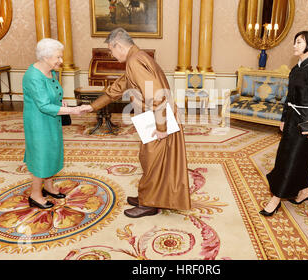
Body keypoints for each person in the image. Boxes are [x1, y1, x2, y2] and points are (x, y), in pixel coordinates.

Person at [81, 27, 191, 218]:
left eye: (111, 50)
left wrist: (161, 128)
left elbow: (156, 94)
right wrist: (92, 107)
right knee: (154, 161)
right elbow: (119, 86)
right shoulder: (137, 58)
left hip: (157, 118)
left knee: (152, 161)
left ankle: (149, 204)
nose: (112, 55)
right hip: (156, 116)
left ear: (118, 45)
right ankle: (148, 196)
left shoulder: (135, 60)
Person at [259, 30, 308, 216]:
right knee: (293, 157)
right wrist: (284, 119)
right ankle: (305, 192)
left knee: (291, 159)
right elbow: (289, 98)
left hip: (306, 122)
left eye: (299, 42)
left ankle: (276, 198)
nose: (294, 45)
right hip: (292, 119)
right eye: (295, 41)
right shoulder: (296, 69)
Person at [23, 38, 85, 209]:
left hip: (52, 119)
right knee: (41, 155)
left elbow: (53, 94)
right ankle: (35, 195)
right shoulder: (33, 76)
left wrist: (60, 102)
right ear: (45, 57)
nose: (61, 61)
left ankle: (49, 187)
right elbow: (43, 105)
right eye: (58, 57)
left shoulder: (52, 72)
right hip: (39, 122)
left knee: (52, 152)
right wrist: (73, 110)